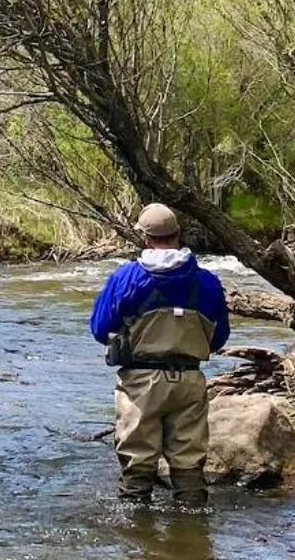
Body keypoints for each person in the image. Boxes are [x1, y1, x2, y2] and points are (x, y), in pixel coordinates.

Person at [89, 203, 230, 508]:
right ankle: (192, 534)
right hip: (190, 381)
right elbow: (219, 338)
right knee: (189, 461)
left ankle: (138, 535)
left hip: (140, 382)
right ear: (179, 234)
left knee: (137, 462)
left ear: (144, 238)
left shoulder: (126, 278)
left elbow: (100, 329)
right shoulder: (208, 282)